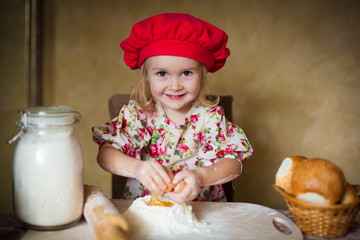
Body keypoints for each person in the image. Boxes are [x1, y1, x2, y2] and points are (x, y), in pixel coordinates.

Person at [92, 13, 253, 203]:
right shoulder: (138, 114)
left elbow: (232, 163)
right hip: (146, 210)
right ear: (146, 76)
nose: (175, 85)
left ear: (202, 75)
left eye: (186, 73)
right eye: (162, 73)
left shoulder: (210, 117)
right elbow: (106, 155)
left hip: (202, 210)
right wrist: (137, 168)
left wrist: (201, 177)